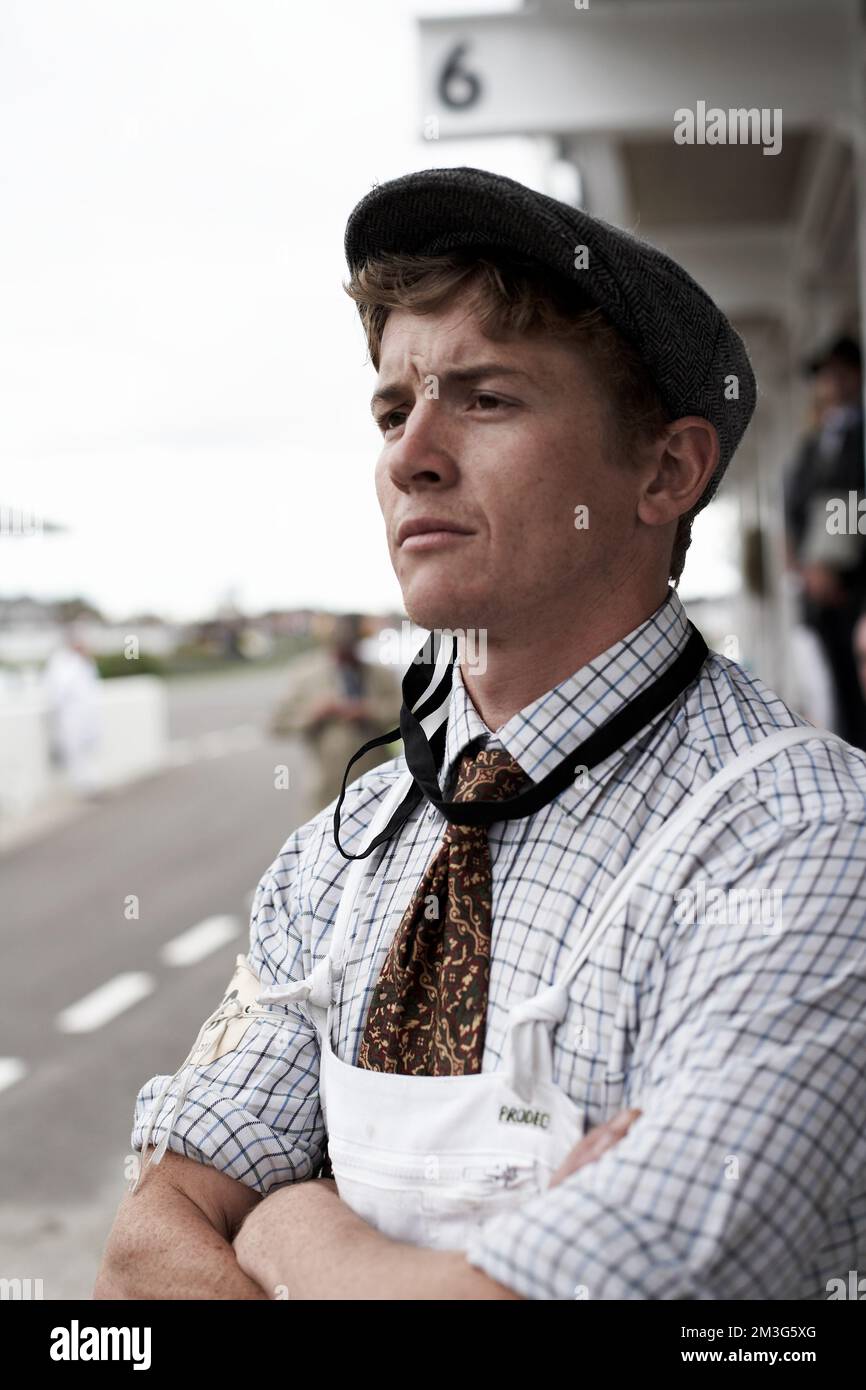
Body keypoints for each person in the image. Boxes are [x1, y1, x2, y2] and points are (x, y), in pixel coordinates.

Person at [96, 167, 866, 1302]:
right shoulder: (340, 851)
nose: (411, 453)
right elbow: (140, 1246)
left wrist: (291, 1227)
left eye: (485, 397)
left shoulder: (800, 841)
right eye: (392, 407)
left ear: (664, 470)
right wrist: (444, 1272)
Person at [784, 335, 866, 749]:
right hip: (821, 591)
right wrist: (803, 565)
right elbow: (796, 505)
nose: (828, 385)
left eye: (836, 374)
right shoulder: (814, 444)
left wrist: (834, 565)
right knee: (839, 691)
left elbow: (851, 495)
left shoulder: (858, 437)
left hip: (853, 582)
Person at [268, 612, 399, 825]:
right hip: (327, 789)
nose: (347, 651)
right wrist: (313, 713)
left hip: (377, 781)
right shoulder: (306, 675)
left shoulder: (380, 673)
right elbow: (277, 724)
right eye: (340, 645)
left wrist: (367, 710)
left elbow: (405, 712)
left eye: (353, 644)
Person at [41, 623, 103, 798]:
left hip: (87, 715)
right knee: (75, 751)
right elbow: (56, 692)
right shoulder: (61, 661)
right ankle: (83, 787)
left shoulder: (85, 661)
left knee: (89, 749)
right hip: (71, 716)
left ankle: (91, 784)